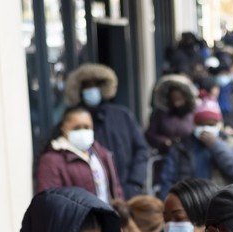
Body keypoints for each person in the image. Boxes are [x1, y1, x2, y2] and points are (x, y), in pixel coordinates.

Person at [65, 63, 149, 198]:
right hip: (91, 196)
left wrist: (135, 183)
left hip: (127, 190)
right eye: (87, 86)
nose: (91, 90)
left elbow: (141, 149)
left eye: (95, 85)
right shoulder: (72, 120)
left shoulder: (123, 115)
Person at [158, 97, 233, 197]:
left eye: (210, 124)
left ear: (218, 124)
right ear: (195, 124)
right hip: (191, 204)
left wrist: (216, 145)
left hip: (222, 204)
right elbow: (167, 180)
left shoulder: (231, 143)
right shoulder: (182, 147)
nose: (206, 128)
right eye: (201, 124)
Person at [35, 105, 124, 202]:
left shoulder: (101, 154)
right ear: (64, 128)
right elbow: (49, 201)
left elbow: (116, 190)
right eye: (77, 128)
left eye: (87, 127)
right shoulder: (52, 161)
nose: (83, 131)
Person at [145, 74, 197, 158]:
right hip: (165, 157)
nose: (176, 104)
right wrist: (164, 141)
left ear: (185, 98)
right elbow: (150, 134)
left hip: (190, 157)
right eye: (173, 100)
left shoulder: (193, 114)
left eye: (179, 99)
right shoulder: (161, 115)